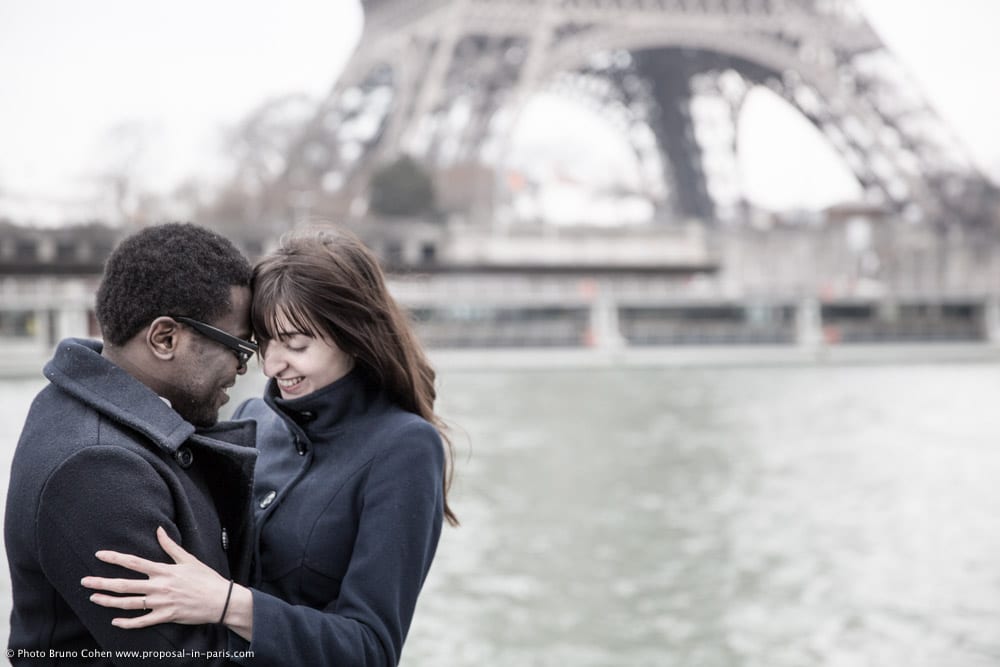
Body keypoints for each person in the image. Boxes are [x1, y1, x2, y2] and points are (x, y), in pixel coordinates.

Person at [82, 225, 458, 666]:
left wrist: (228, 604)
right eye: (263, 344)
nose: (274, 364)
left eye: (297, 345)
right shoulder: (251, 419)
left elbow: (370, 650)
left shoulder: (407, 448)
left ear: (354, 336)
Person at [5, 223, 259, 665]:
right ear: (165, 338)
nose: (242, 368)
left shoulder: (75, 406)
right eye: (239, 347)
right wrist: (322, 637)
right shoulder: (99, 469)